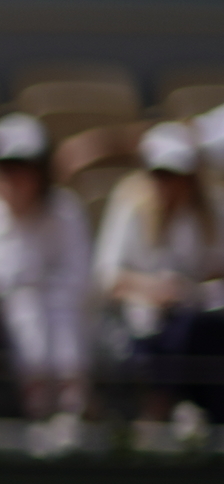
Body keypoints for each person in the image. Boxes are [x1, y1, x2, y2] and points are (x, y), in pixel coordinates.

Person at [0, 111, 92, 416]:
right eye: (5, 170)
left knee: (58, 309)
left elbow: (78, 273)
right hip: (3, 327)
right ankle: (34, 407)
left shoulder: (65, 210)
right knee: (25, 308)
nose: (14, 180)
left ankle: (71, 408)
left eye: (23, 169)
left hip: (63, 313)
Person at [95, 122, 224, 413]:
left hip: (199, 321)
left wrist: (190, 290)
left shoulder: (210, 212)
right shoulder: (130, 206)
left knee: (202, 333)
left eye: (176, 175)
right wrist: (154, 290)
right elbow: (108, 278)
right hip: (143, 324)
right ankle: (163, 410)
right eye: (160, 175)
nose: (168, 184)